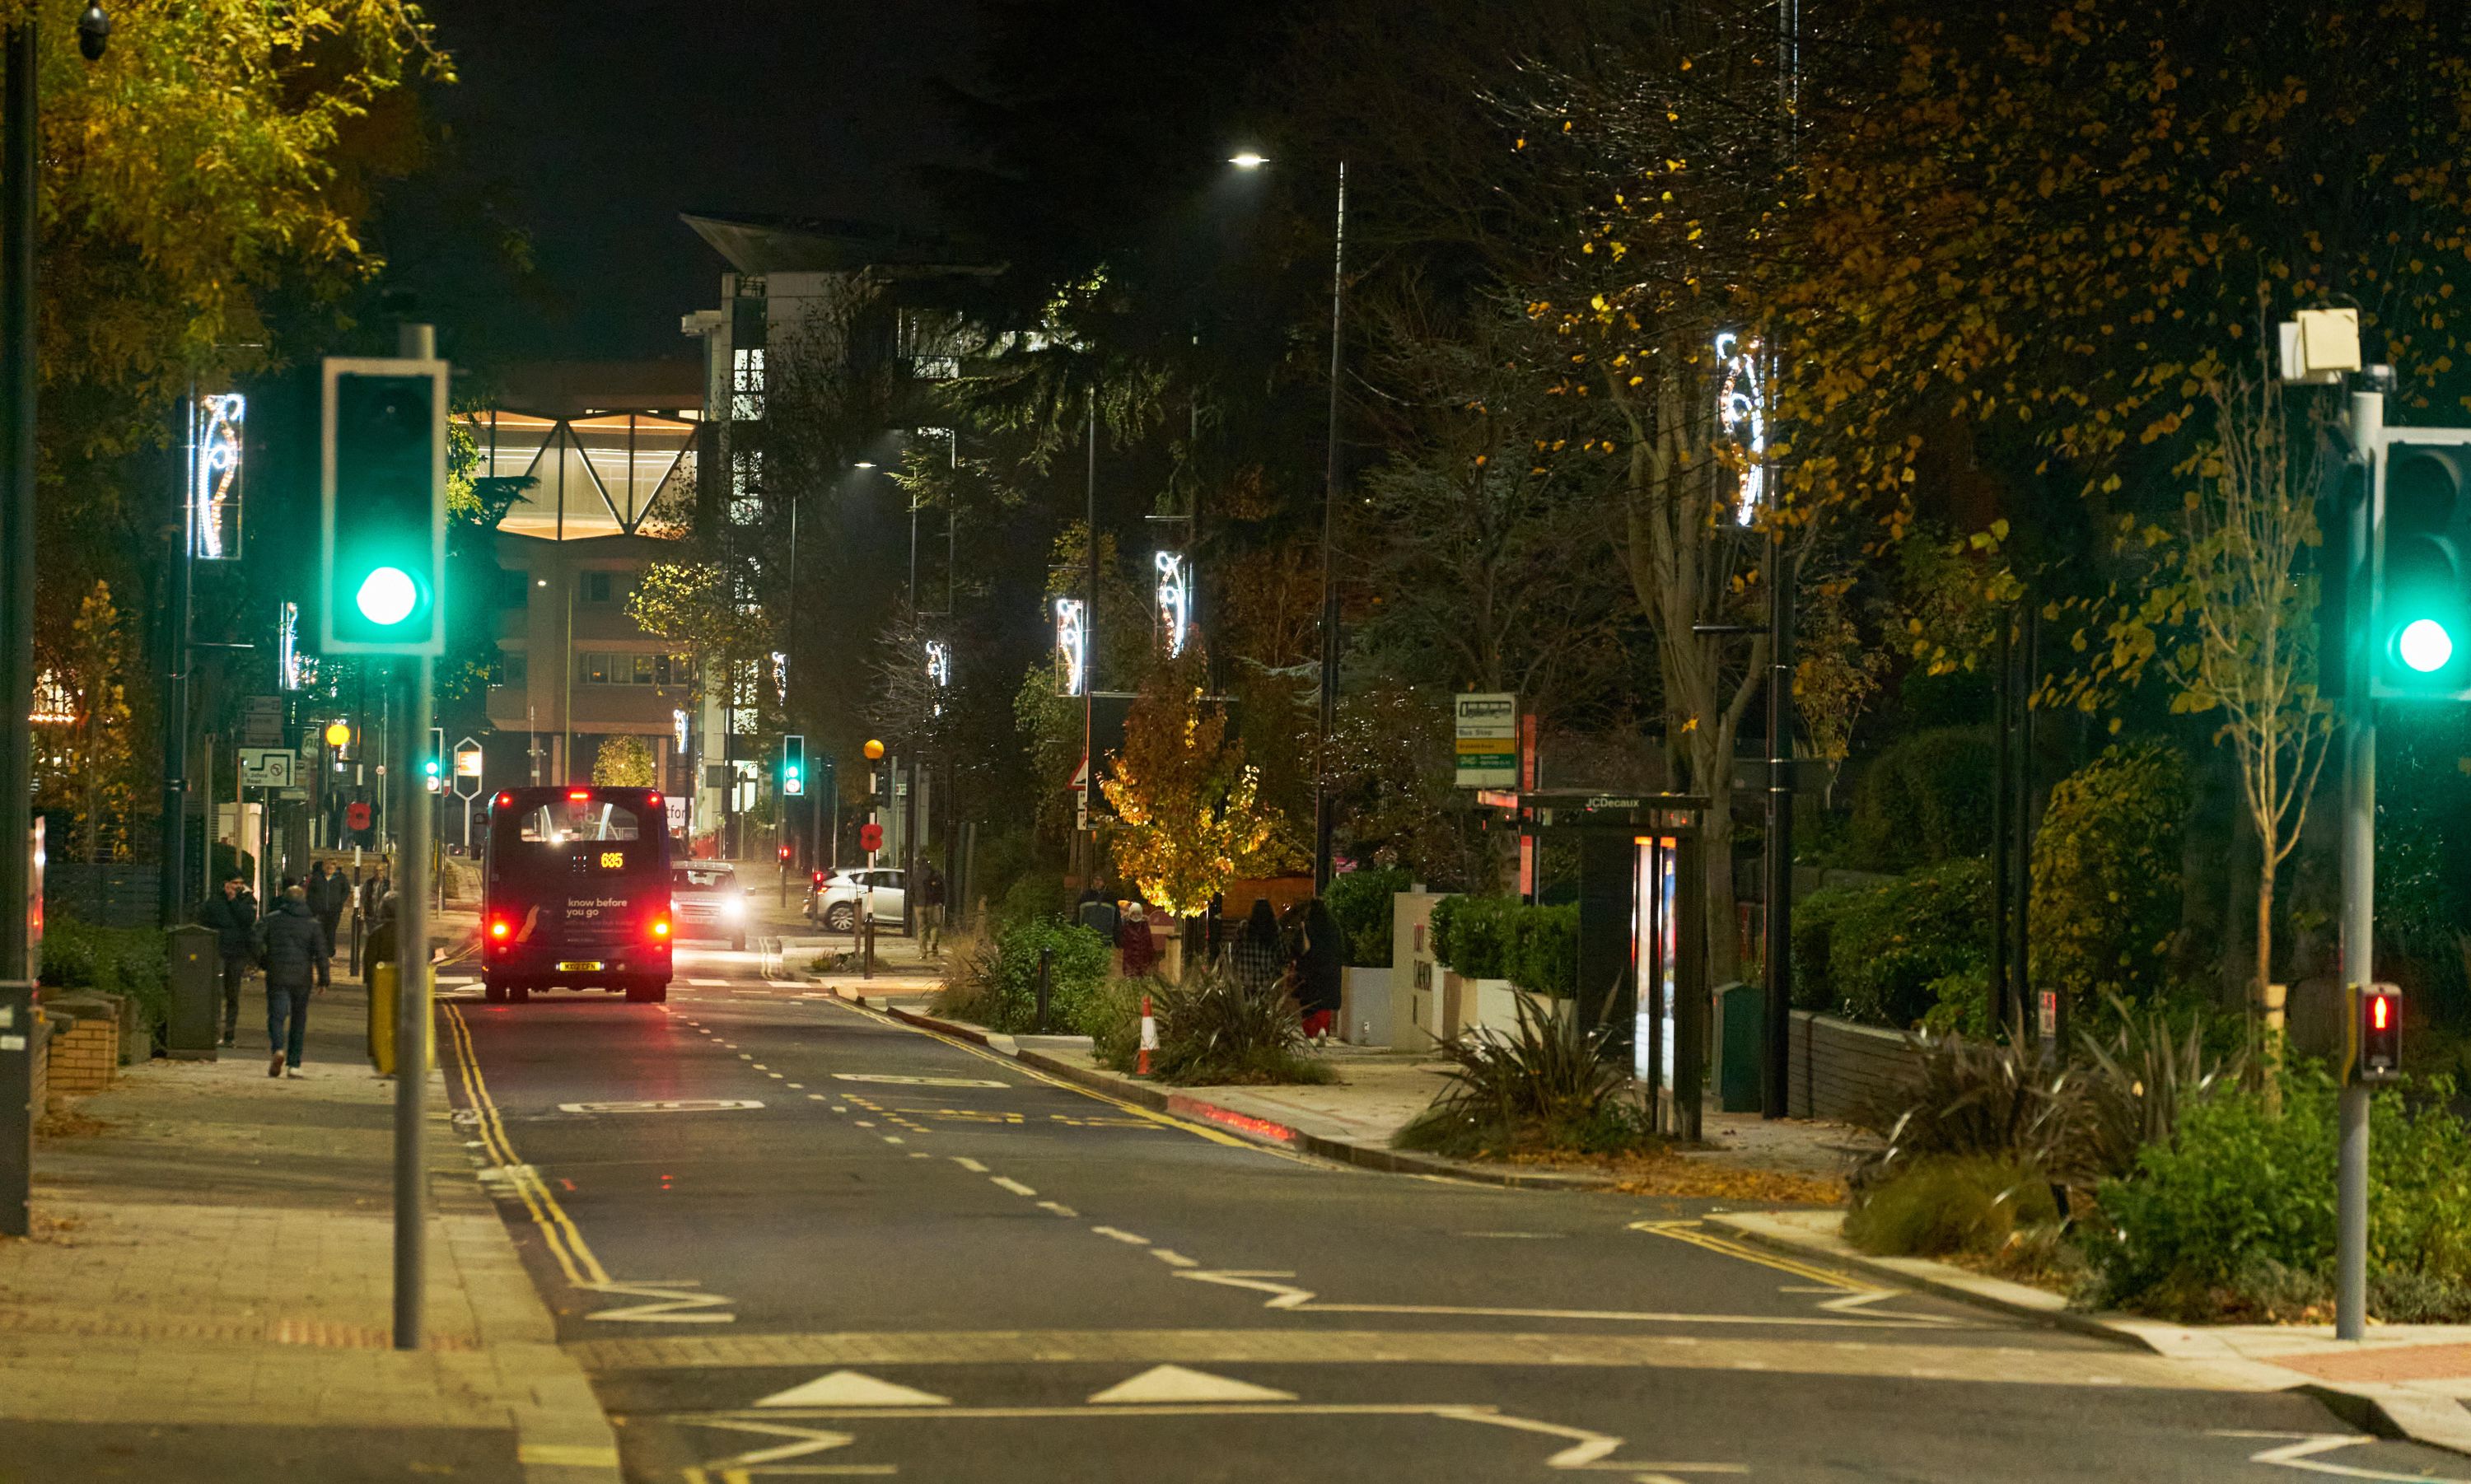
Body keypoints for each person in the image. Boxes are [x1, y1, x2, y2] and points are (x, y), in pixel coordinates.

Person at [260, 884, 327, 1078]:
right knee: (299, 1018)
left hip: (277, 973)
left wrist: (264, 961)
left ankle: (278, 1049)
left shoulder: (271, 920)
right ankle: (294, 1063)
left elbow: (254, 939)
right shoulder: (312, 924)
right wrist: (324, 979)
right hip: (302, 977)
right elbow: (321, 953)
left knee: (276, 1015)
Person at [198, 872, 259, 1046]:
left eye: (240, 883)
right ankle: (214, 1031)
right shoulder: (215, 901)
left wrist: (233, 901)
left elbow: (247, 920)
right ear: (226, 884)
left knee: (233, 994)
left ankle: (229, 1033)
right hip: (219, 951)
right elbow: (205, 919)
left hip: (237, 953)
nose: (237, 886)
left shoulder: (248, 900)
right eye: (234, 883)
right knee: (216, 992)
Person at [1295, 898, 1347, 1042]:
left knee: (1309, 1003)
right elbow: (1341, 948)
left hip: (1310, 971)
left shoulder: (1308, 926)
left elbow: (1299, 948)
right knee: (1325, 1003)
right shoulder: (1333, 926)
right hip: (1329, 971)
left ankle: (1310, 1032)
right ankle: (1322, 1029)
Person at [1231, 897, 1287, 996]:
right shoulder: (1274, 929)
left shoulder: (1244, 928)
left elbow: (1234, 951)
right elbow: (1282, 955)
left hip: (1244, 982)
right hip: (1266, 982)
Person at [307, 861, 349, 978]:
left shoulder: (340, 878)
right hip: (319, 910)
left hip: (334, 910)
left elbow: (346, 890)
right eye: (327, 866)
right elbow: (311, 892)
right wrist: (314, 905)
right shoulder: (317, 878)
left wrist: (339, 901)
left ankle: (329, 954)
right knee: (320, 932)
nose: (329, 868)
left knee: (331, 932)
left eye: (332, 867)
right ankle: (320, 954)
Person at [1117, 900, 1157, 979]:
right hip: (1130, 963)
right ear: (1130, 914)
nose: (1135, 916)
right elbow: (1122, 943)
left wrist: (1150, 960)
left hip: (1143, 963)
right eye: (1134, 914)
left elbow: (1149, 944)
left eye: (1138, 914)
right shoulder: (1126, 926)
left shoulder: (1144, 927)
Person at [918, 862, 947, 957]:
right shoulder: (937, 877)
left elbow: (912, 890)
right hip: (935, 904)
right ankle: (934, 943)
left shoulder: (919, 877)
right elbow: (943, 890)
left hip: (922, 905)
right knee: (934, 926)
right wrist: (942, 902)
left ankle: (923, 952)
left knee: (922, 928)